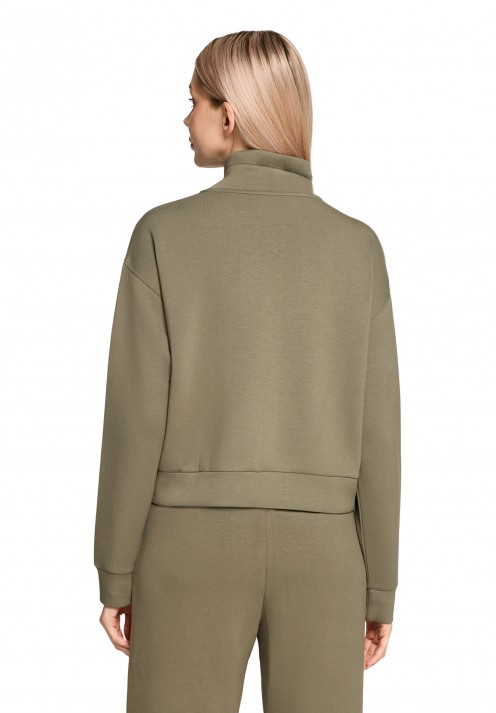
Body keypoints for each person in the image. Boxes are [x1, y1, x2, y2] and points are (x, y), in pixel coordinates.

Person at [93, 30, 401, 713]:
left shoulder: (161, 235)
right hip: (325, 553)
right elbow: (378, 435)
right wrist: (380, 586)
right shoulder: (360, 249)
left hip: (187, 547)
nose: (186, 119)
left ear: (229, 116)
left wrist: (115, 570)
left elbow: (135, 420)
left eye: (194, 102)